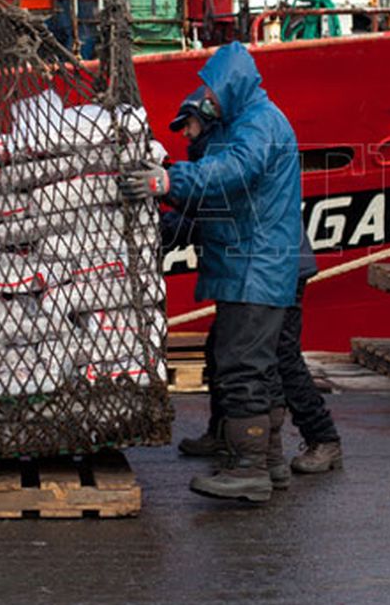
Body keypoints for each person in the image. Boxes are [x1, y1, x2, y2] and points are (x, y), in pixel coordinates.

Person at [123, 42, 301, 504]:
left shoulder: (259, 126)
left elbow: (231, 172)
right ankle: (270, 462)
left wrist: (168, 181)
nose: (209, 101)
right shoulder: (244, 123)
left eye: (215, 94)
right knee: (257, 367)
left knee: (242, 366)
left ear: (236, 88)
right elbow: (216, 186)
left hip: (255, 268)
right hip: (251, 265)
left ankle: (249, 469)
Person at [164, 89, 342, 485]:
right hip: (267, 267)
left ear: (207, 120)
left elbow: (210, 213)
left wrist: (166, 222)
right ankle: (224, 434)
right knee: (221, 349)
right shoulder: (214, 156)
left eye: (189, 125)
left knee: (280, 358)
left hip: (280, 270)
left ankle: (323, 439)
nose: (186, 135)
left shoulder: (229, 159)